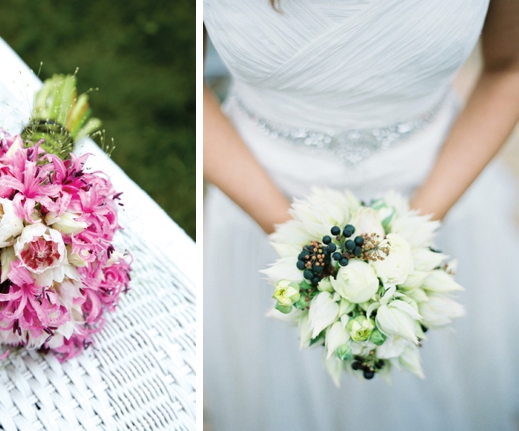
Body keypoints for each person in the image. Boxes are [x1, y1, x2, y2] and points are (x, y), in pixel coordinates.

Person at [203, 1, 519, 430]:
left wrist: (410, 241)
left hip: (440, 195)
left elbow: (509, 67)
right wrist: (295, 241)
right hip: (262, 206)